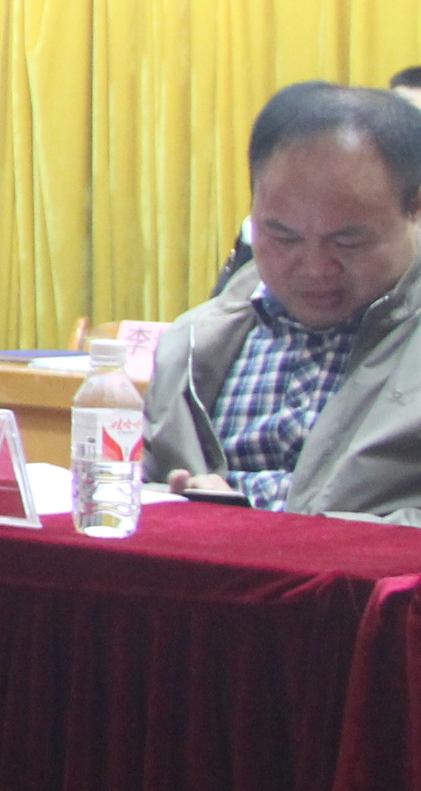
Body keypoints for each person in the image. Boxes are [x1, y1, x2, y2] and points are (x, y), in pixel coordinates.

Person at [147, 81, 421, 519]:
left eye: (347, 241)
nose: (314, 267)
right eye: (283, 236)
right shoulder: (194, 341)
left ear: (415, 209)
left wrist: (262, 530)